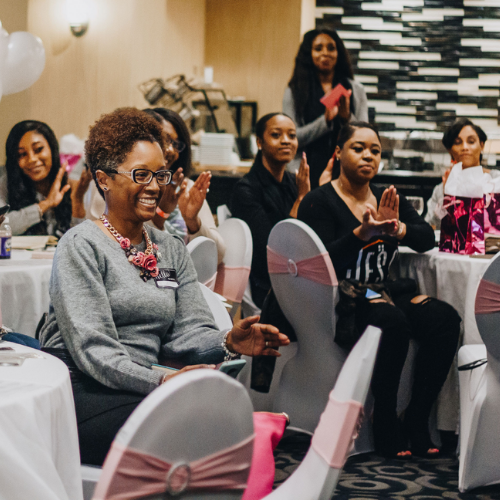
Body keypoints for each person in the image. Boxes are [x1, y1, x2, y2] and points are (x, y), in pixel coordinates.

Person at [39, 108, 289, 466]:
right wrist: (161, 381)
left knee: (204, 426)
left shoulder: (169, 246)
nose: (156, 186)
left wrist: (227, 340)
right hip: (80, 386)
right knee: (189, 430)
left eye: (161, 174)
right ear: (104, 180)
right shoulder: (81, 245)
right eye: (142, 174)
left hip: (139, 385)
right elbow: (94, 352)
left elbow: (190, 330)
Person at [298, 122, 460, 458]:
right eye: (358, 148)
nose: (368, 156)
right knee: (391, 319)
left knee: (444, 319)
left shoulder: (388, 197)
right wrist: (362, 233)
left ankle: (416, 417)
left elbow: (426, 238)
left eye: (375, 150)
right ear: (339, 152)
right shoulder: (319, 201)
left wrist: (397, 227)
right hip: (341, 298)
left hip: (382, 292)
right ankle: (384, 418)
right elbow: (320, 262)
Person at [230, 113, 310, 310]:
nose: (286, 141)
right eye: (276, 135)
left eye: (292, 135)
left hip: (299, 274)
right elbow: (273, 249)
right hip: (268, 283)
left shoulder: (294, 182)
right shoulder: (246, 189)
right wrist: (302, 200)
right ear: (259, 142)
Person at [283, 28, 368, 188]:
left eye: (331, 48)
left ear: (339, 52)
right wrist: (325, 121)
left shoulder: (356, 90)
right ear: (309, 53)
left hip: (346, 177)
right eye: (318, 48)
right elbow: (291, 139)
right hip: (303, 177)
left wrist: (346, 118)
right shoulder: (294, 91)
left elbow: (365, 139)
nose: (325, 53)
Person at [151, 107, 226, 264]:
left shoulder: (186, 188)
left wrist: (193, 222)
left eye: (175, 143)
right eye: (164, 140)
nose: (170, 150)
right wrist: (161, 214)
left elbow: (218, 256)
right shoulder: (128, 189)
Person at [0, 120, 92, 236]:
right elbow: (2, 226)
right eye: (22, 154)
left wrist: (77, 200)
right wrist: (46, 204)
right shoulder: (6, 183)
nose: (32, 159)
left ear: (52, 148)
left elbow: (82, 240)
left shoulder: (72, 184)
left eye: (38, 149)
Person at [426, 118, 498, 229]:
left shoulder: (496, 180)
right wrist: (447, 201)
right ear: (450, 150)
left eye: (471, 141)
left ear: (482, 145)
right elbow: (434, 227)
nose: (465, 147)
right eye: (457, 143)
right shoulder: (441, 190)